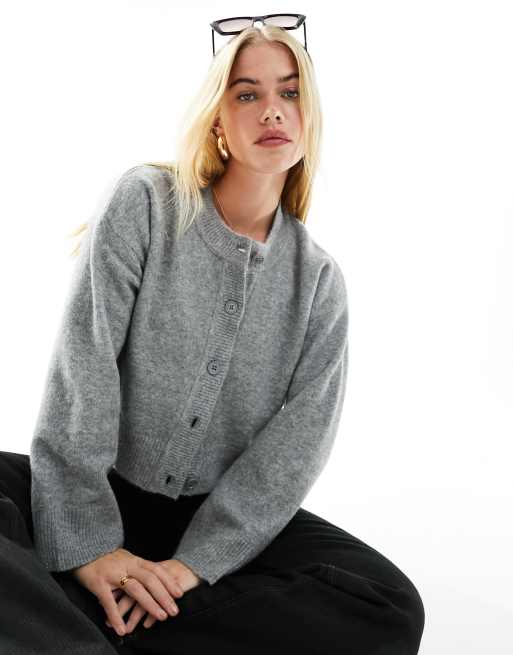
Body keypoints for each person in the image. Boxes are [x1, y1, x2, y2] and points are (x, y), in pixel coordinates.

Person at [0, 17, 425, 655]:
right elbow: (83, 370)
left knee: (386, 604)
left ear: (309, 117)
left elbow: (292, 452)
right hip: (95, 488)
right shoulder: (147, 202)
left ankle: (92, 624)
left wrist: (191, 567)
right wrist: (89, 547)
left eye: (289, 92)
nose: (272, 110)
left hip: (207, 523)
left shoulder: (319, 283)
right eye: (247, 93)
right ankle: (96, 608)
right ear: (218, 120)